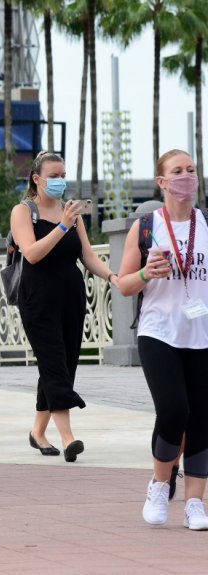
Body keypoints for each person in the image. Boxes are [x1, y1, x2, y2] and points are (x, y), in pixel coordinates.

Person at [117, 149, 208, 530]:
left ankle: (195, 504)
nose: (186, 176)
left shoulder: (206, 224)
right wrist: (145, 275)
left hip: (201, 335)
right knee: (173, 411)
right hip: (158, 332)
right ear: (162, 181)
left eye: (190, 170)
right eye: (177, 171)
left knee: (202, 418)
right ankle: (159, 483)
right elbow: (123, 285)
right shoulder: (146, 227)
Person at [10, 152, 118, 463]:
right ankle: (68, 437)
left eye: (63, 174)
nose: (60, 180)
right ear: (37, 178)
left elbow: (86, 255)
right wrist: (61, 227)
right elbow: (31, 254)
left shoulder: (71, 212)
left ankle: (37, 432)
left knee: (64, 363)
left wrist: (112, 275)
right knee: (54, 361)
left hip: (71, 295)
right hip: (37, 298)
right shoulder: (23, 211)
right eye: (53, 175)